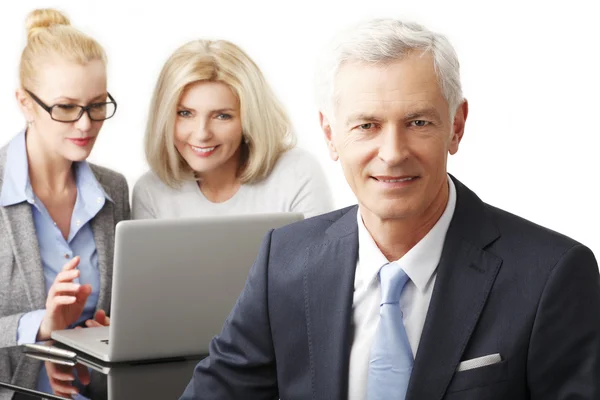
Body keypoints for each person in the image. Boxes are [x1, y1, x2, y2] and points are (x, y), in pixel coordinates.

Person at [179, 18, 600, 399]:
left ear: (456, 126)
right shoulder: (285, 260)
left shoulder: (552, 275)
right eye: (367, 126)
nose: (393, 153)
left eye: (418, 122)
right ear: (330, 134)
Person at [0, 8, 130, 351]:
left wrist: (109, 331)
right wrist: (40, 326)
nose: (85, 124)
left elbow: (119, 313)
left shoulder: (114, 190)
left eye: (97, 105)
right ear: (26, 103)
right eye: (66, 108)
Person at [132, 39, 333, 220]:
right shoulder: (150, 192)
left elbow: (320, 260)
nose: (202, 134)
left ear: (249, 120)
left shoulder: (296, 174)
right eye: (185, 113)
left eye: (222, 116)